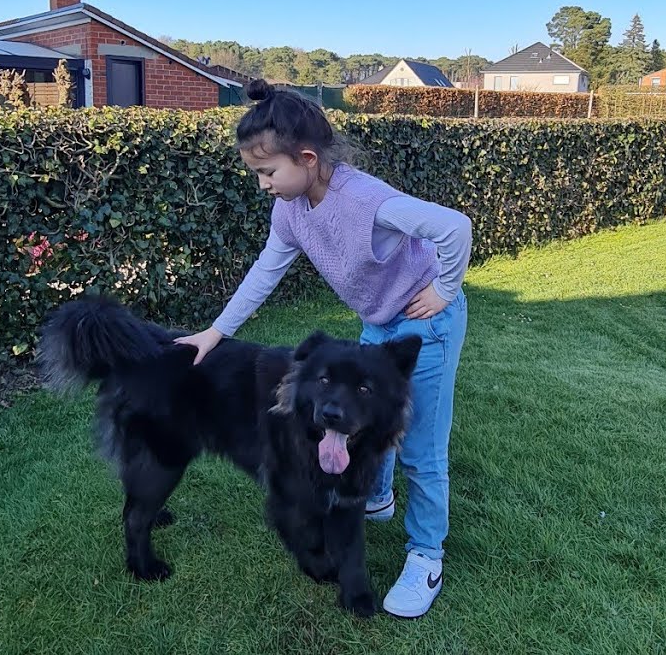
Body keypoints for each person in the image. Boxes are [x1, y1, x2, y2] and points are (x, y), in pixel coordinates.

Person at [176, 79, 470, 618]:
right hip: (377, 322)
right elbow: (266, 271)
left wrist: (444, 289)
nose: (263, 184)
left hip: (428, 323)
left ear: (307, 159)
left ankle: (425, 554)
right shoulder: (289, 209)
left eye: (268, 172)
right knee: (359, 416)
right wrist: (215, 333)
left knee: (420, 447)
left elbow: (454, 226)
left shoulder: (367, 201)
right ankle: (375, 497)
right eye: (257, 174)